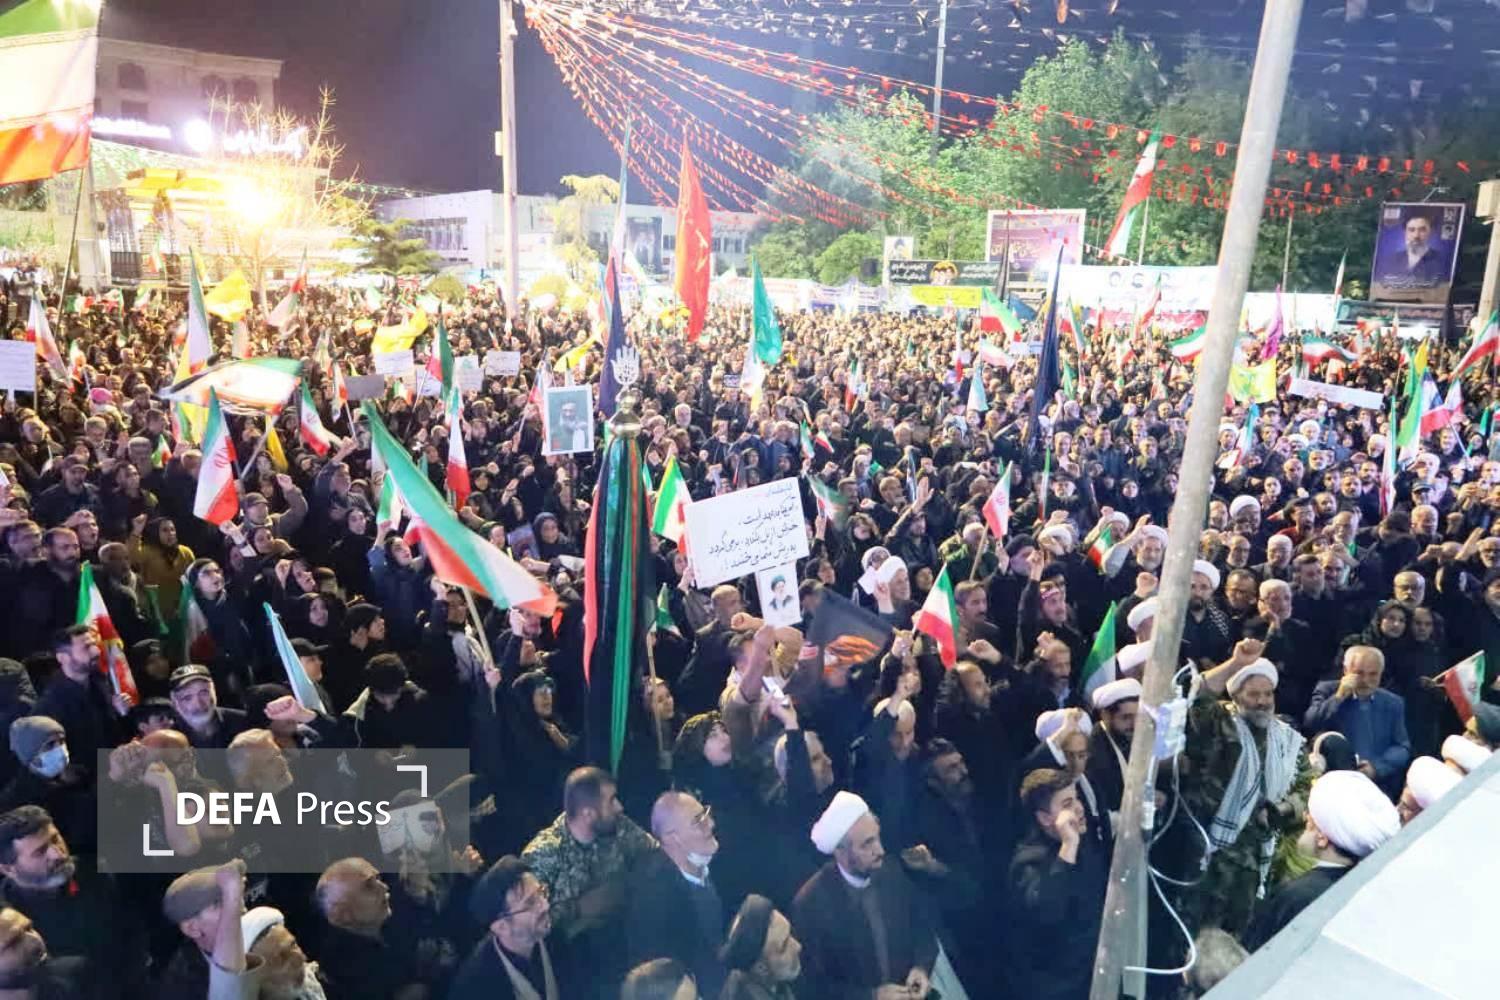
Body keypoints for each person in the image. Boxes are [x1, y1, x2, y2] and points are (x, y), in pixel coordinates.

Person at [1176, 646, 1312, 936]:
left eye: (1268, 694)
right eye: (1253, 694)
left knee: (1243, 937)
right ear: (1236, 697)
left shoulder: (1288, 741)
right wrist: (1235, 663)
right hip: (1212, 854)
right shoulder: (1221, 725)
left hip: (1260, 856)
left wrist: (1282, 809)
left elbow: (1307, 786)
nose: (1262, 702)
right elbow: (1197, 697)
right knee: (1198, 936)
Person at [790, 792, 937, 999]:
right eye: (867, 844)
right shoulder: (810, 904)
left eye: (877, 838)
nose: (880, 850)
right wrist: (871, 997)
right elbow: (813, 987)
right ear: (840, 852)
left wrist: (921, 968)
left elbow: (922, 930)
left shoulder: (891, 871)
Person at [1243, 770, 1399, 950]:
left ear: (1322, 838)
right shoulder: (1364, 889)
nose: (1304, 817)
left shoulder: (1297, 897)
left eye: (1310, 816)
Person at [1007, 768, 1108, 1000]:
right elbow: (1048, 911)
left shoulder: (1080, 836)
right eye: (1067, 804)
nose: (1079, 808)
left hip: (1093, 961)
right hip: (1061, 985)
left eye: (1077, 798)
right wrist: (1068, 846)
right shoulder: (1027, 862)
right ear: (1044, 819)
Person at [626, 792, 727, 997]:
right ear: (673, 838)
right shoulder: (654, 898)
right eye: (698, 821)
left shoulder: (709, 860)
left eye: (706, 813)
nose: (711, 824)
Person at [1303, 646, 1411, 797]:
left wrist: (1376, 768)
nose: (1365, 681)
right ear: (1345, 671)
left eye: (1373, 674)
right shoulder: (1328, 690)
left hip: (1378, 786)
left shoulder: (1393, 703)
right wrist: (1339, 697)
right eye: (1359, 673)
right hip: (1335, 785)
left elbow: (1402, 747)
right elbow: (1310, 723)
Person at [449, 856, 563, 1000]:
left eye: (541, 892)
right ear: (502, 927)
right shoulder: (474, 986)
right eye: (530, 903)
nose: (545, 905)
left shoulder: (553, 933)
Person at [313, 857, 425, 1000]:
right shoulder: (340, 968)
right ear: (340, 914)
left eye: (378, 879)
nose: (384, 888)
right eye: (368, 886)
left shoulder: (392, 920)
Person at [155, 860, 260, 1000]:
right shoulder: (183, 983)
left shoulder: (259, 938)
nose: (241, 908)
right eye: (219, 903)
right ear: (192, 928)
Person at [717, 894, 804, 1000]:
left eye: (790, 934)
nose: (798, 946)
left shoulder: (774, 983)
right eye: (784, 947)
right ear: (761, 968)